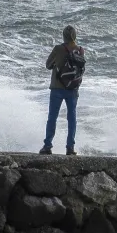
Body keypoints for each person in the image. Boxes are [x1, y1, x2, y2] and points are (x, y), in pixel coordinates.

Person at [40, 25, 86, 156]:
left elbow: (48, 65)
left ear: (63, 36)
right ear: (75, 36)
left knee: (52, 118)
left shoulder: (58, 48)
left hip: (57, 88)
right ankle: (70, 148)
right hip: (73, 89)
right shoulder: (80, 50)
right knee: (72, 118)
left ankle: (47, 146)